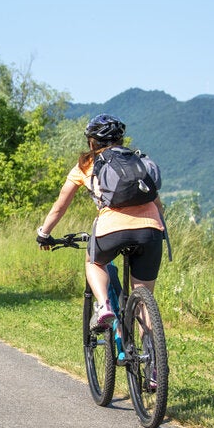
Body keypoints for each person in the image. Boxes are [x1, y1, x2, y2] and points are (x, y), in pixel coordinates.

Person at [36, 114, 164, 332]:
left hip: (111, 230)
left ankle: (104, 305)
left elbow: (60, 206)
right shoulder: (136, 161)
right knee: (144, 299)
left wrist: (44, 233)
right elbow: (158, 205)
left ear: (91, 142)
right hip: (150, 230)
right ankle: (154, 363)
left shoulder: (85, 165)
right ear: (121, 141)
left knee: (93, 262)